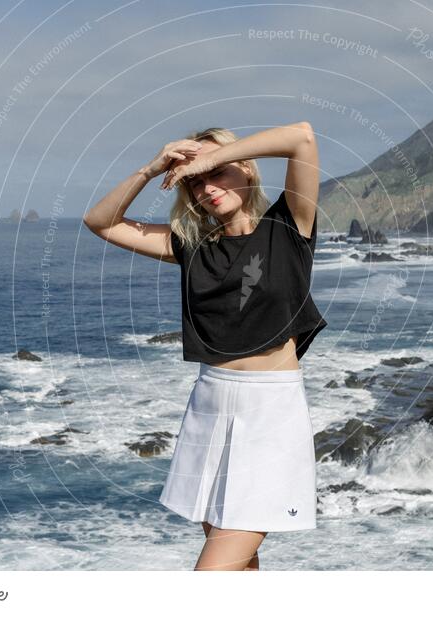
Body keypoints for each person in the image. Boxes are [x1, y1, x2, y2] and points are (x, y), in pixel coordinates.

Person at [83, 122, 327, 570]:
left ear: (248, 169)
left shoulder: (290, 224)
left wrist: (208, 157)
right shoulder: (191, 246)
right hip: (209, 407)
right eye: (195, 182)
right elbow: (101, 222)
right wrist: (151, 168)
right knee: (240, 564)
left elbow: (302, 137)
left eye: (218, 173)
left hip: (269, 415)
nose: (207, 187)